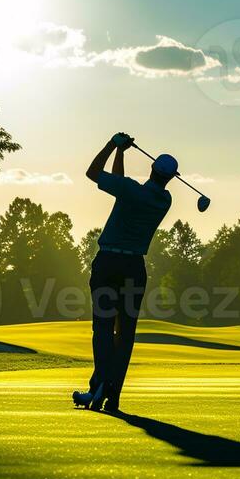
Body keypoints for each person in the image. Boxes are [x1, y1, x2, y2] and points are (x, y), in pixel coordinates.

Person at [72, 132, 177, 413]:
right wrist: (121, 154)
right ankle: (108, 392)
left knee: (103, 328)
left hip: (109, 265)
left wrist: (112, 145)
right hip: (134, 269)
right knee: (125, 332)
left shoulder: (131, 190)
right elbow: (120, 183)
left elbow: (92, 172)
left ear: (152, 169)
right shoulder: (164, 200)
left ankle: (100, 384)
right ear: (169, 178)